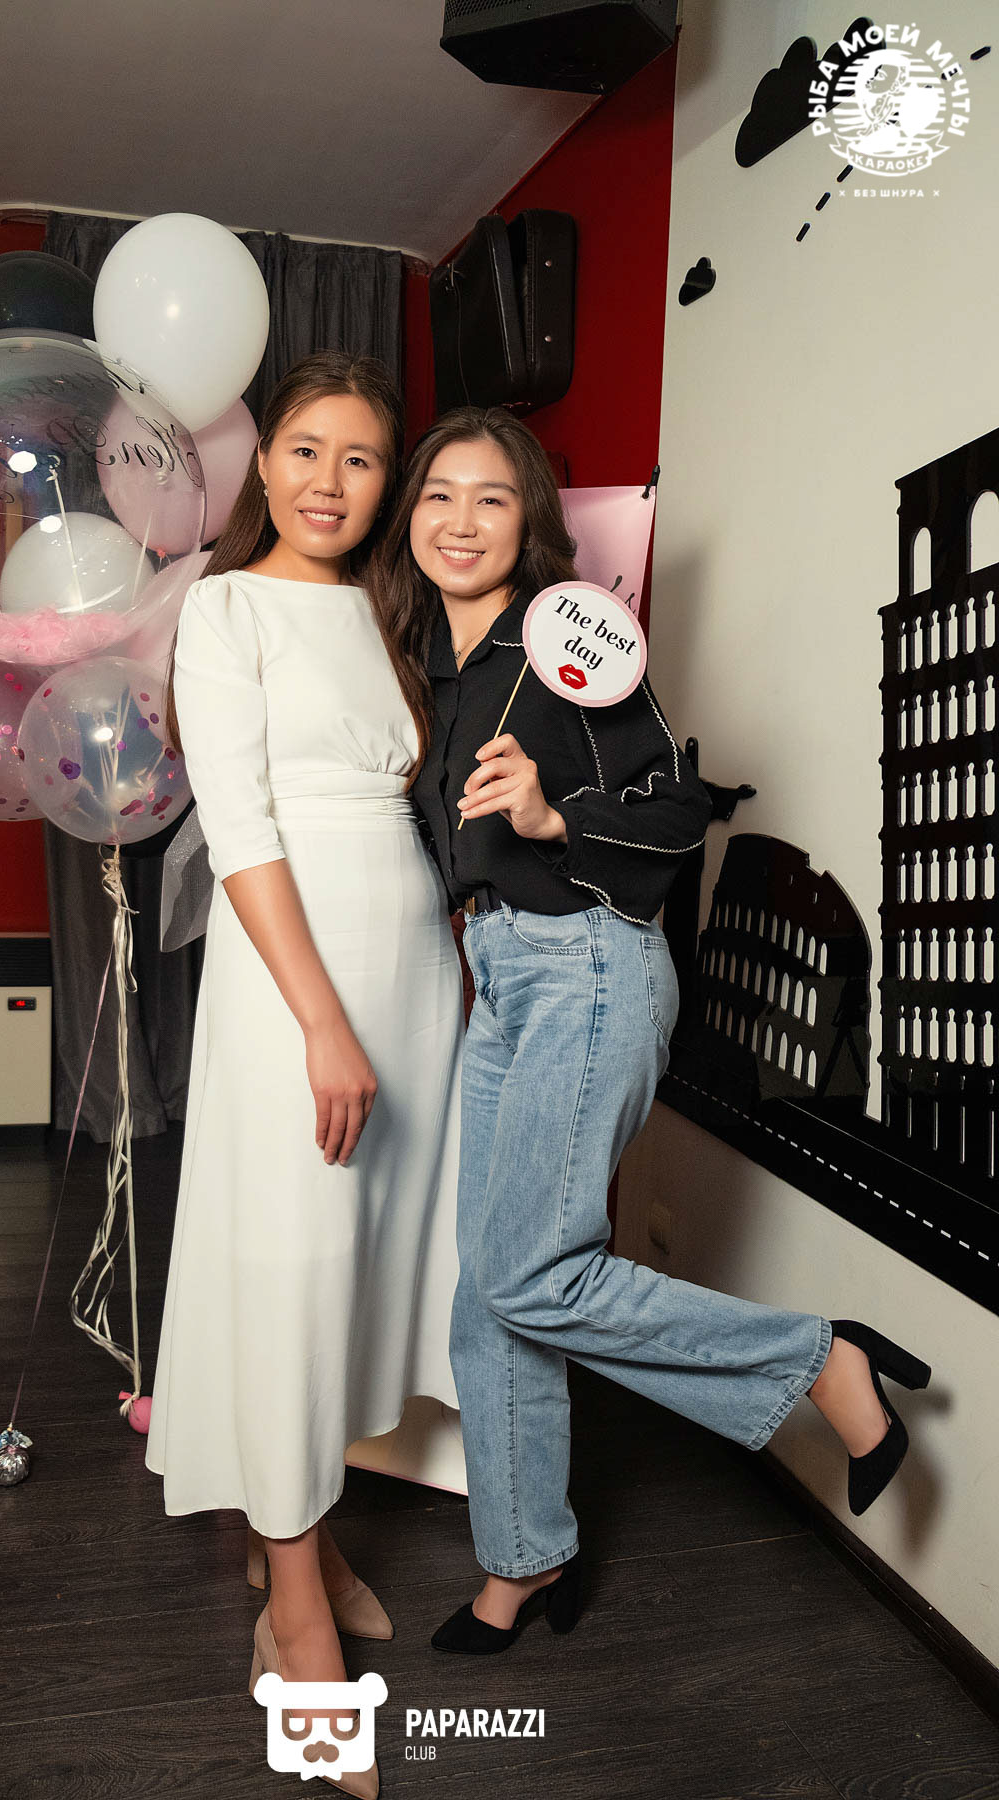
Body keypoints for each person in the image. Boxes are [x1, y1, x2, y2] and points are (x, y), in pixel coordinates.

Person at [371, 406, 933, 1656]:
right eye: (439, 495)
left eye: (492, 498)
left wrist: (554, 813)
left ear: (528, 524)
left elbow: (678, 811)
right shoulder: (430, 669)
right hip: (500, 978)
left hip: (586, 963)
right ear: (410, 518)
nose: (460, 520)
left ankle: (819, 1363)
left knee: (530, 1273)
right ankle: (524, 1560)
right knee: (492, 1292)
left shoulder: (566, 640)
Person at [145, 353, 463, 1795]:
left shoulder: (393, 616)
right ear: (261, 466)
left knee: (357, 1272)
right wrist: (324, 1023)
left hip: (411, 979)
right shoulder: (224, 610)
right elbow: (243, 827)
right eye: (306, 451)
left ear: (386, 485)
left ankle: (308, 1545)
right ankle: (293, 1621)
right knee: (291, 1265)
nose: (330, 481)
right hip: (298, 984)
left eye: (361, 458)